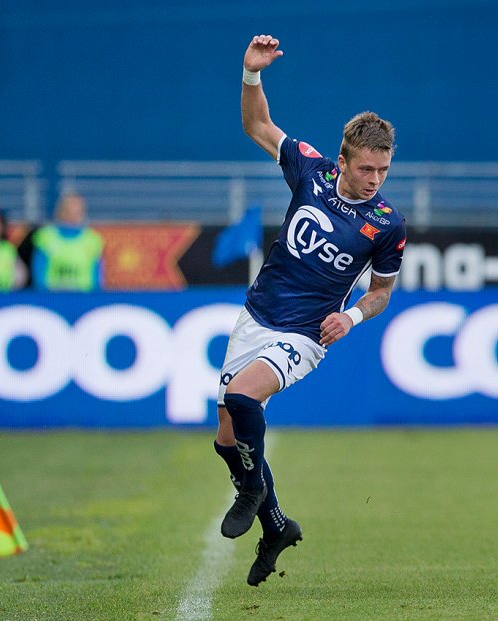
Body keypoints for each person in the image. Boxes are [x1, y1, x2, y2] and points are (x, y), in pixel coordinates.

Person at [214, 34, 407, 587]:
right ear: (342, 158)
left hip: (306, 333)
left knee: (241, 395)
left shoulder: (387, 224)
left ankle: (252, 493)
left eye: (383, 171)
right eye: (366, 169)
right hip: (256, 317)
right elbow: (257, 126)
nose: (374, 181)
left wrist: (353, 318)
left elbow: (381, 292)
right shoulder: (310, 170)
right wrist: (252, 75)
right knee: (227, 436)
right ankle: (275, 525)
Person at [30, 192, 104, 291]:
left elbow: (97, 277)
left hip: (84, 299)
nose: (73, 213)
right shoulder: (45, 237)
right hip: (51, 297)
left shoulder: (93, 239)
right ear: (60, 210)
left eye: (77, 209)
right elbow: (38, 274)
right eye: (69, 209)